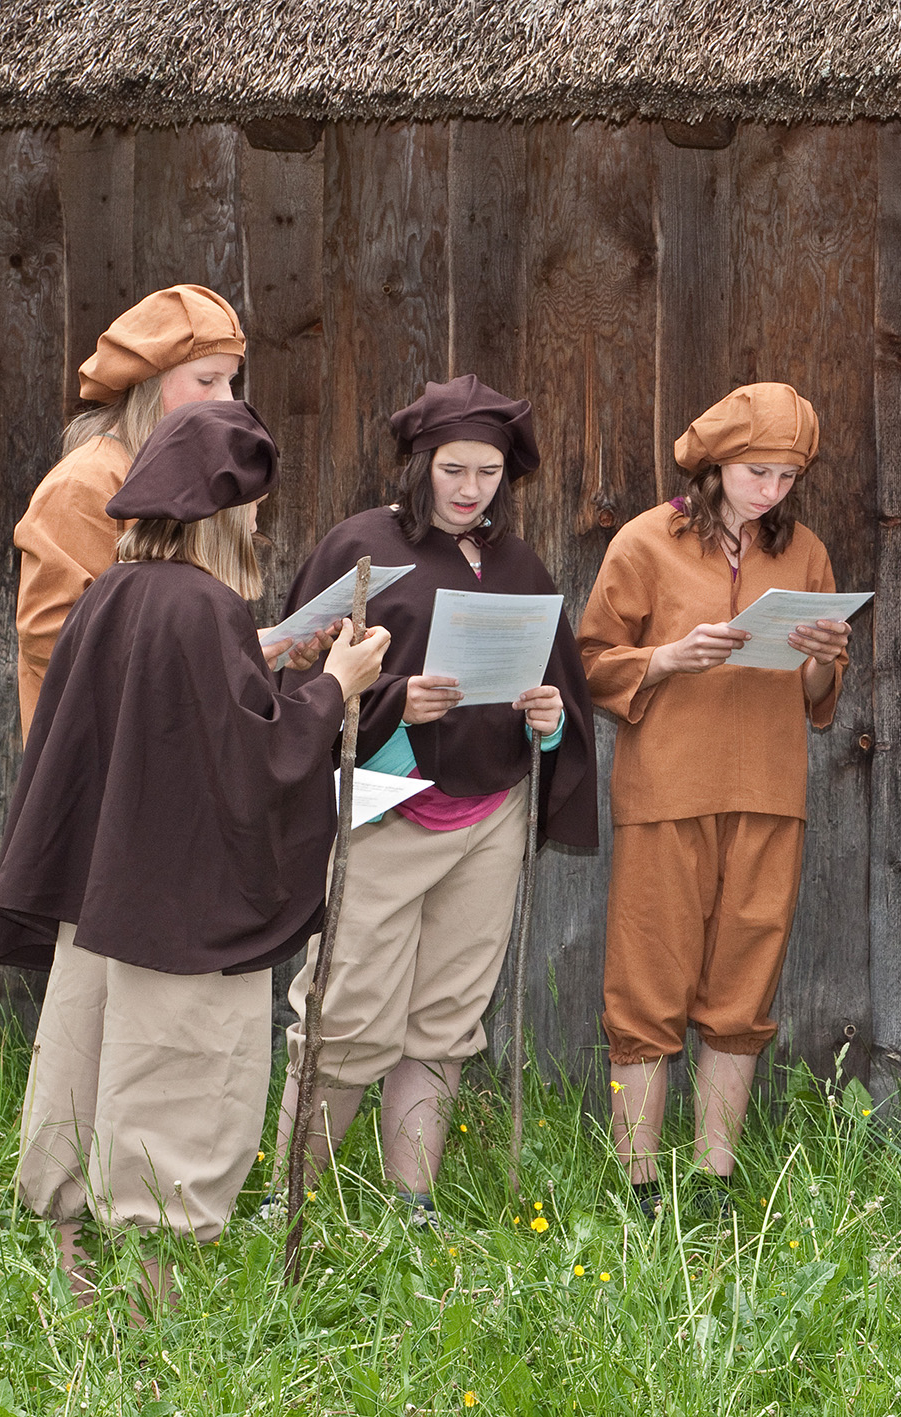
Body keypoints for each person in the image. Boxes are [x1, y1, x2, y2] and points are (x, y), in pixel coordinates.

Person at [0, 401, 390, 1314]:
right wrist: (336, 687)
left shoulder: (113, 595)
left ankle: (78, 1311)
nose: (260, 525)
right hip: (181, 913)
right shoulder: (203, 606)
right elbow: (254, 763)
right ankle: (147, 1337)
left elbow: (198, 726)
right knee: (173, 1087)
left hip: (106, 899)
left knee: (85, 1077)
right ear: (222, 511)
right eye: (253, 510)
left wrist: (284, 671)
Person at [269, 376, 599, 1219]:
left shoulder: (523, 566)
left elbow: (561, 689)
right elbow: (294, 683)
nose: (469, 488)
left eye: (488, 472)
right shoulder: (362, 548)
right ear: (421, 462)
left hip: (490, 818)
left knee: (448, 1015)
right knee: (345, 1010)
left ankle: (410, 1202)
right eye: (454, 467)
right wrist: (394, 704)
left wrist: (550, 720)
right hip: (386, 807)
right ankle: (293, 1198)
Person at [576, 382, 851, 1215]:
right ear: (716, 462)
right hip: (666, 789)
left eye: (787, 477)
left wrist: (822, 653)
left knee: (744, 980)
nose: (771, 491)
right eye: (756, 471)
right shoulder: (644, 542)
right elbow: (589, 662)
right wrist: (665, 658)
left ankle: (714, 1176)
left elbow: (818, 692)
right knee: (647, 979)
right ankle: (639, 1182)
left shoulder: (803, 550)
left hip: (770, 789)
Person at [13, 284, 245, 739]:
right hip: (93, 756)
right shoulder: (85, 482)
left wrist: (260, 644)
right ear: (149, 380)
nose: (227, 401)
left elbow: (173, 624)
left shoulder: (170, 481)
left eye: (231, 380)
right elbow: (52, 637)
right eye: (207, 380)